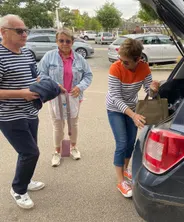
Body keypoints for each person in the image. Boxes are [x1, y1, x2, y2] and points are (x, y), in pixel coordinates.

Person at [0, 14, 45, 209]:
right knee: (30, 152)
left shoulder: (27, 53)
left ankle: (26, 179)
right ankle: (18, 190)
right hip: (9, 115)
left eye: (26, 30)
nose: (25, 34)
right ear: (4, 32)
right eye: (19, 31)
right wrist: (22, 93)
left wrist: (41, 84)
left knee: (28, 151)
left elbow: (34, 76)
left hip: (30, 112)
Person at [106, 38, 159, 198]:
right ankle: (121, 181)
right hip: (115, 108)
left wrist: (153, 89)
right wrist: (133, 115)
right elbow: (115, 97)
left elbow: (149, 93)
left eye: (126, 62)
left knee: (130, 143)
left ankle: (126, 169)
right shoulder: (115, 68)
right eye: (120, 60)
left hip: (132, 107)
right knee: (122, 143)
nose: (122, 63)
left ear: (138, 59)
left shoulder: (143, 68)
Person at [38, 28, 93, 167]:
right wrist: (55, 85)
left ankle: (72, 148)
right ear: (57, 41)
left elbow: (88, 75)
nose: (64, 44)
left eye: (68, 41)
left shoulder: (79, 59)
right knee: (58, 125)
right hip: (55, 97)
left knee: (73, 123)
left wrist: (80, 86)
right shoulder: (49, 56)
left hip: (74, 97)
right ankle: (57, 151)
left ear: (72, 42)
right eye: (61, 41)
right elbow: (40, 74)